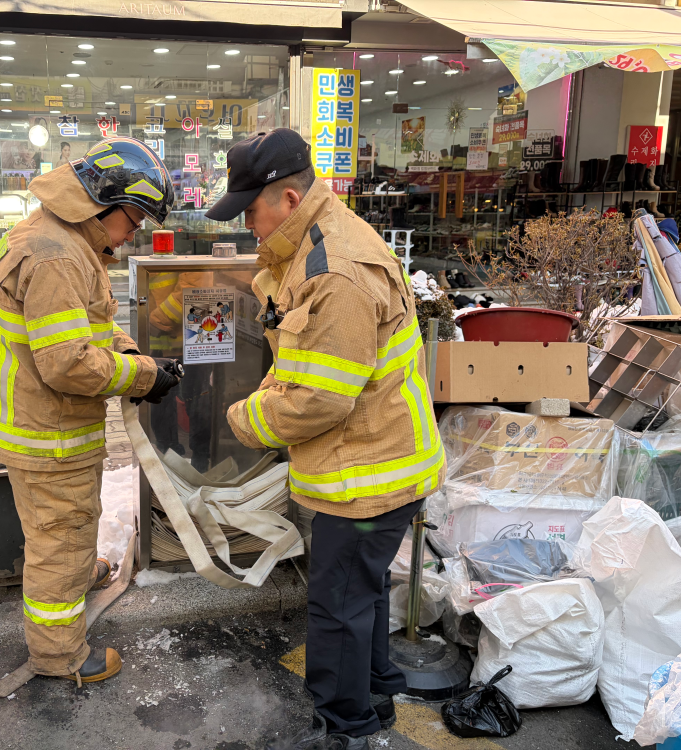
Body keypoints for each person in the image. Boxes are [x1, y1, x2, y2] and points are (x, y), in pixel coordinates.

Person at [205, 129, 444, 750]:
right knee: (359, 591)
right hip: (382, 463)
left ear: (287, 199)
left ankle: (346, 727)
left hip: (366, 477)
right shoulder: (319, 238)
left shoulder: (332, 271)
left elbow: (320, 399)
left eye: (250, 212)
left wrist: (240, 421)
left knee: (336, 606)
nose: (247, 227)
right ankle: (379, 690)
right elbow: (295, 314)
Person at [0, 137, 182, 685]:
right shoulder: (58, 256)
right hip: (50, 430)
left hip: (35, 421)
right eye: (134, 217)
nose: (135, 230)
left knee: (63, 525)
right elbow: (68, 364)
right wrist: (144, 377)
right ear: (103, 201)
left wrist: (132, 354)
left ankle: (73, 577)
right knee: (60, 537)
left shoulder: (54, 236)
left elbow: (81, 329)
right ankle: (59, 655)